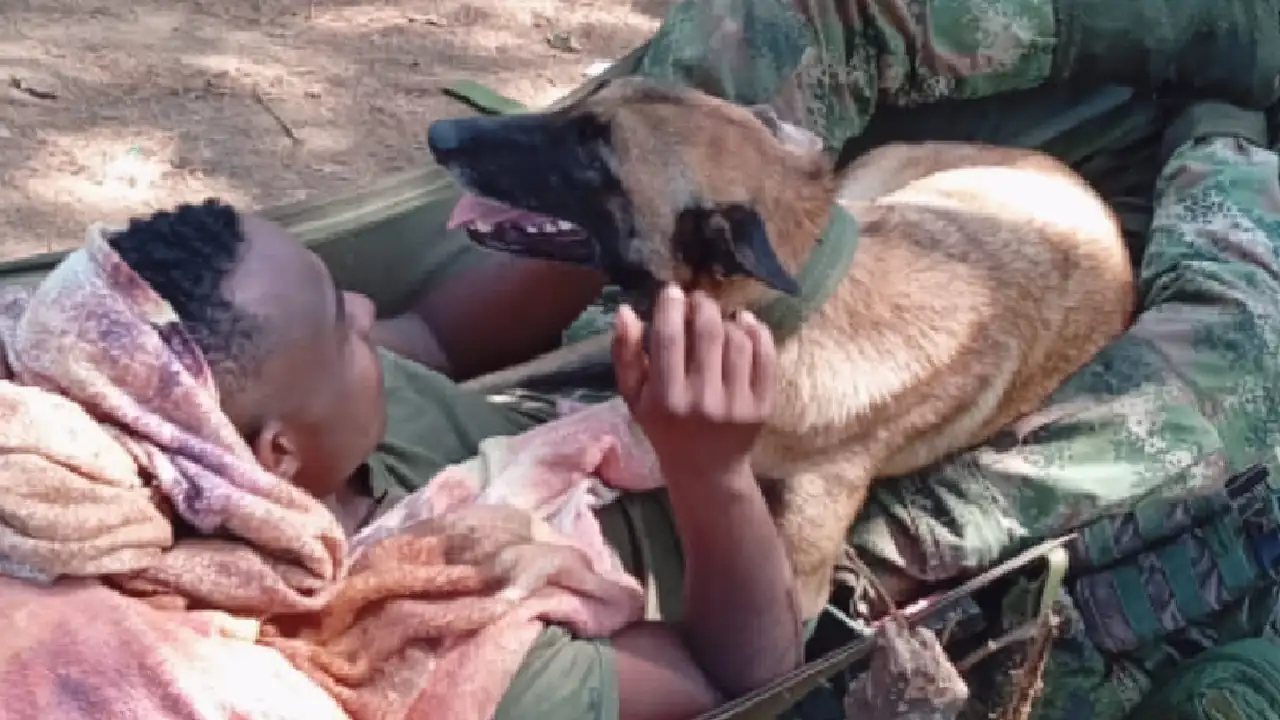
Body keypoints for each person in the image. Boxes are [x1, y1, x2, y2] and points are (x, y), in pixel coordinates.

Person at [103, 201, 804, 720]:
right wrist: (711, 470)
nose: (366, 310)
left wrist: (611, 204)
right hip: (768, 527)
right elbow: (740, 680)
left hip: (617, 397)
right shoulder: (440, 652)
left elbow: (435, 335)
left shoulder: (303, 416)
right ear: (278, 452)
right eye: (338, 323)